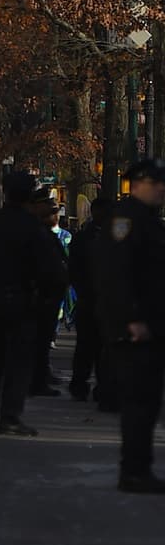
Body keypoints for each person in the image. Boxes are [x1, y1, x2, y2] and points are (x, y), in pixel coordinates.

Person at [0, 170, 69, 437]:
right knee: (18, 362)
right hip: (23, 301)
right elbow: (54, 271)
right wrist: (47, 299)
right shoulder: (34, 229)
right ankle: (10, 416)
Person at [93, 157, 165, 493]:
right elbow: (116, 274)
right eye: (157, 183)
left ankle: (139, 468)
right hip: (133, 328)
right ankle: (134, 471)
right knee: (138, 401)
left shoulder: (147, 220)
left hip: (150, 324)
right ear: (139, 184)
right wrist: (131, 318)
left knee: (148, 401)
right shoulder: (125, 220)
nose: (162, 189)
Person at [69, 199, 115, 409]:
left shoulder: (87, 237)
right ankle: (90, 387)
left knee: (91, 347)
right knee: (93, 347)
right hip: (94, 299)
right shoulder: (97, 238)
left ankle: (91, 387)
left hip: (95, 299)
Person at [28, 191, 68, 398]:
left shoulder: (45, 233)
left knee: (41, 342)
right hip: (37, 295)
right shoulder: (34, 232)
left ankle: (40, 375)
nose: (55, 215)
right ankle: (35, 380)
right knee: (36, 340)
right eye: (50, 209)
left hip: (47, 295)